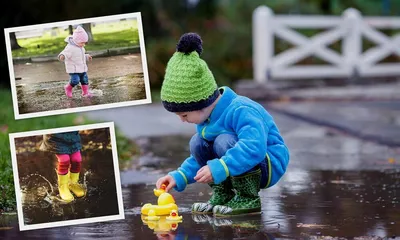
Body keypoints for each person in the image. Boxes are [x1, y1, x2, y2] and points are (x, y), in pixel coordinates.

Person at [156, 33, 290, 217]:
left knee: (223, 141)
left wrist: (220, 167)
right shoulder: (207, 119)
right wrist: (178, 176)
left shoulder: (241, 110)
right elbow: (199, 159)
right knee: (198, 143)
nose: (182, 120)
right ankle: (224, 194)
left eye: (184, 114)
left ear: (200, 103)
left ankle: (247, 197)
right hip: (239, 162)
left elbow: (254, 146)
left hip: (268, 163)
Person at [40, 131, 85, 202]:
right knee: (64, 160)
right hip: (56, 138)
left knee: (77, 159)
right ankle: (63, 187)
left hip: (72, 136)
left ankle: (73, 183)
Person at [59, 26, 93, 98]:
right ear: (76, 40)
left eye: (84, 43)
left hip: (82, 68)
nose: (83, 45)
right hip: (74, 69)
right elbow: (65, 53)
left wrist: (87, 56)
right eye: (82, 43)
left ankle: (85, 92)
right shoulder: (70, 47)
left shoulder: (81, 47)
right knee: (75, 80)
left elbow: (81, 56)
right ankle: (68, 88)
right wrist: (62, 56)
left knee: (85, 80)